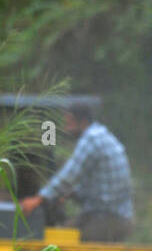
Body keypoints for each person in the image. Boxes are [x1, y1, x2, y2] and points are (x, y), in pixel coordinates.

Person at [19, 102, 133, 243]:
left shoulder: (91, 139)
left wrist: (38, 199)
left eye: (69, 124)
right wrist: (69, 194)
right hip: (116, 214)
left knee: (62, 243)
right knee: (64, 232)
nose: (66, 129)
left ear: (82, 122)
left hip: (107, 217)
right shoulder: (100, 135)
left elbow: (68, 176)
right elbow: (97, 184)